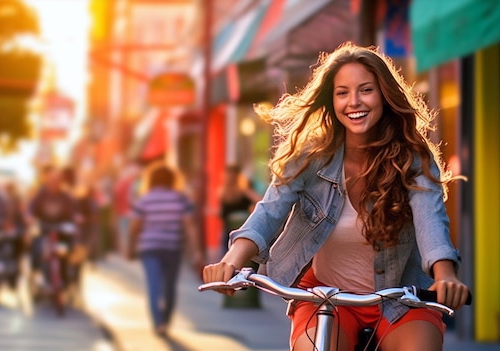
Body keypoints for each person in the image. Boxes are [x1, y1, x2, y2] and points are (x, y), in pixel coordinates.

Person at [202, 42, 471, 351]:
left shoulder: (413, 160)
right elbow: (268, 212)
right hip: (327, 298)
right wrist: (231, 263)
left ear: (384, 94)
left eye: (366, 90)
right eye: (342, 92)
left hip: (403, 299)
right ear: (332, 101)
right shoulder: (309, 157)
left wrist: (445, 275)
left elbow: (430, 221)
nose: (353, 102)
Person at [126, 162, 203, 337]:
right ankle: (165, 321)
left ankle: (158, 322)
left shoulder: (145, 199)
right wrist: (196, 251)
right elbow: (189, 225)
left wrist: (129, 247)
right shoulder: (180, 198)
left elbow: (134, 227)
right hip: (172, 248)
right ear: (172, 179)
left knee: (153, 286)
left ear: (151, 180)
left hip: (149, 248)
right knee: (169, 287)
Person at [219, 165, 261, 258]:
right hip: (232, 229)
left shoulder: (243, 190)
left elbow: (259, 201)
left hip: (239, 228)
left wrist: (245, 190)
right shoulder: (224, 192)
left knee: (230, 256)